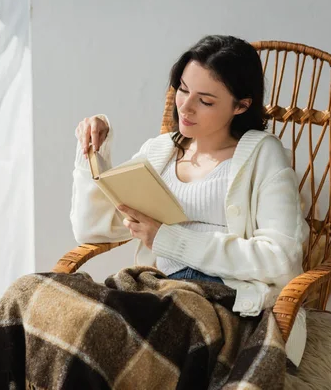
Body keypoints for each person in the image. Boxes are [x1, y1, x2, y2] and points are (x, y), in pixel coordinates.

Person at [70, 34, 310, 367]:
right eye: (182, 89)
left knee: (105, 335)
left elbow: (282, 259)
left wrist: (169, 239)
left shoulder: (263, 155)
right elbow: (91, 230)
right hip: (158, 292)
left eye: (206, 100)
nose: (185, 106)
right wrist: (93, 154)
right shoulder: (161, 150)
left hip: (226, 304)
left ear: (241, 105)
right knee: (32, 294)